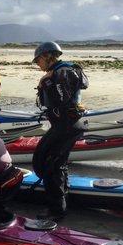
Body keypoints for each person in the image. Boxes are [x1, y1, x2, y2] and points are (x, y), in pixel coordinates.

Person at [32, 41, 88, 220]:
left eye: (38, 60)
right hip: (68, 125)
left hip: (67, 125)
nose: (38, 65)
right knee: (53, 162)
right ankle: (62, 201)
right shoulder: (66, 70)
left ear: (46, 56)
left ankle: (56, 211)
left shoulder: (60, 73)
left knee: (48, 163)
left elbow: (62, 100)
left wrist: (46, 83)